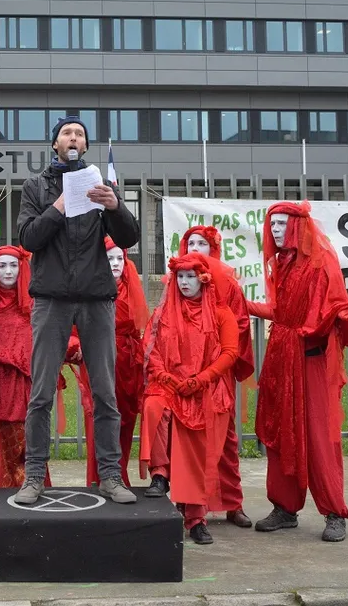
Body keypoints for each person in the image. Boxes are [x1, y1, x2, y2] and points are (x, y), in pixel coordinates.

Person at [15, 116, 141, 505]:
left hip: (95, 299)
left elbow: (129, 237)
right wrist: (57, 207)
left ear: (85, 147)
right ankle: (34, 475)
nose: (73, 139)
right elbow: (28, 238)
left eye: (79, 135)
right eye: (67, 133)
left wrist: (115, 206)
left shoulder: (98, 185)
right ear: (55, 144)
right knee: (40, 393)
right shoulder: (35, 187)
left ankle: (109, 475)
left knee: (105, 392)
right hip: (51, 300)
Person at [246, 202, 348, 543]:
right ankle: (285, 508)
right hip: (282, 358)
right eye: (272, 225)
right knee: (281, 432)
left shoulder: (322, 263)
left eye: (282, 224)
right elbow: (281, 312)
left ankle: (334, 512)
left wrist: (344, 316)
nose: (275, 230)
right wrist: (242, 302)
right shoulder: (282, 264)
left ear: (299, 225)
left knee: (318, 437)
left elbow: (333, 309)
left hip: (311, 363)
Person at [138, 256, 239, 545]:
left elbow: (229, 353)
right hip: (170, 385)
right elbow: (151, 349)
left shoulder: (221, 314)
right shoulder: (163, 312)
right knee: (153, 405)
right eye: (179, 277)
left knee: (196, 447)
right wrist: (168, 379)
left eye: (190, 277)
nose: (184, 283)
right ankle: (160, 474)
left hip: (205, 389)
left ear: (203, 279)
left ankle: (196, 518)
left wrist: (200, 380)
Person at [176, 225, 256, 528]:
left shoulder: (228, 283)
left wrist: (216, 352)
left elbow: (239, 324)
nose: (195, 247)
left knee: (225, 439)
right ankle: (189, 504)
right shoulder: (179, 280)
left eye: (202, 243)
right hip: (185, 372)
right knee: (187, 441)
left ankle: (233, 504)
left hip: (216, 372)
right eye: (190, 243)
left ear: (213, 248)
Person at [0, 246, 51, 488]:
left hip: (25, 378)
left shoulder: (34, 301)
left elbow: (45, 335)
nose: (8, 271)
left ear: (22, 268)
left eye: (13, 265)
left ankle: (31, 485)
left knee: (28, 432)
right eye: (2, 266)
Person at [76, 237, 148, 487]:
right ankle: (98, 478)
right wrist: (77, 347)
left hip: (128, 364)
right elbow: (74, 329)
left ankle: (120, 474)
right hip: (98, 360)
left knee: (125, 420)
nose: (116, 264)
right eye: (109, 259)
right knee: (99, 417)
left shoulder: (132, 288)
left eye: (120, 258)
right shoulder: (88, 289)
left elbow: (142, 328)